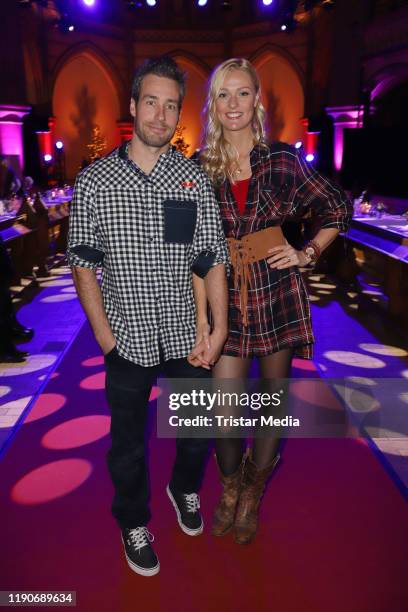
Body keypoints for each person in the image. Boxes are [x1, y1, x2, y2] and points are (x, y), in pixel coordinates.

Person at [67, 56, 228, 577]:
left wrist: (217, 326)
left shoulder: (192, 181)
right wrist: (104, 336)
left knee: (197, 434)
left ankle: (183, 489)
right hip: (127, 338)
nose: (161, 115)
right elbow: (84, 263)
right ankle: (133, 520)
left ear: (179, 114)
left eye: (172, 106)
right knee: (128, 446)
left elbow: (209, 258)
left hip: (187, 333)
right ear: (133, 106)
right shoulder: (95, 181)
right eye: (151, 102)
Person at [189, 58, 352, 545]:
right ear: (212, 105)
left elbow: (337, 207)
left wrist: (307, 252)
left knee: (272, 403)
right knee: (225, 411)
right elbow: (194, 249)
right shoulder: (197, 168)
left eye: (242, 93)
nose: (233, 104)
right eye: (223, 95)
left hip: (276, 289)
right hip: (224, 292)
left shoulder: (281, 159)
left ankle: (252, 493)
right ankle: (230, 482)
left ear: (257, 100)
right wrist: (202, 318)